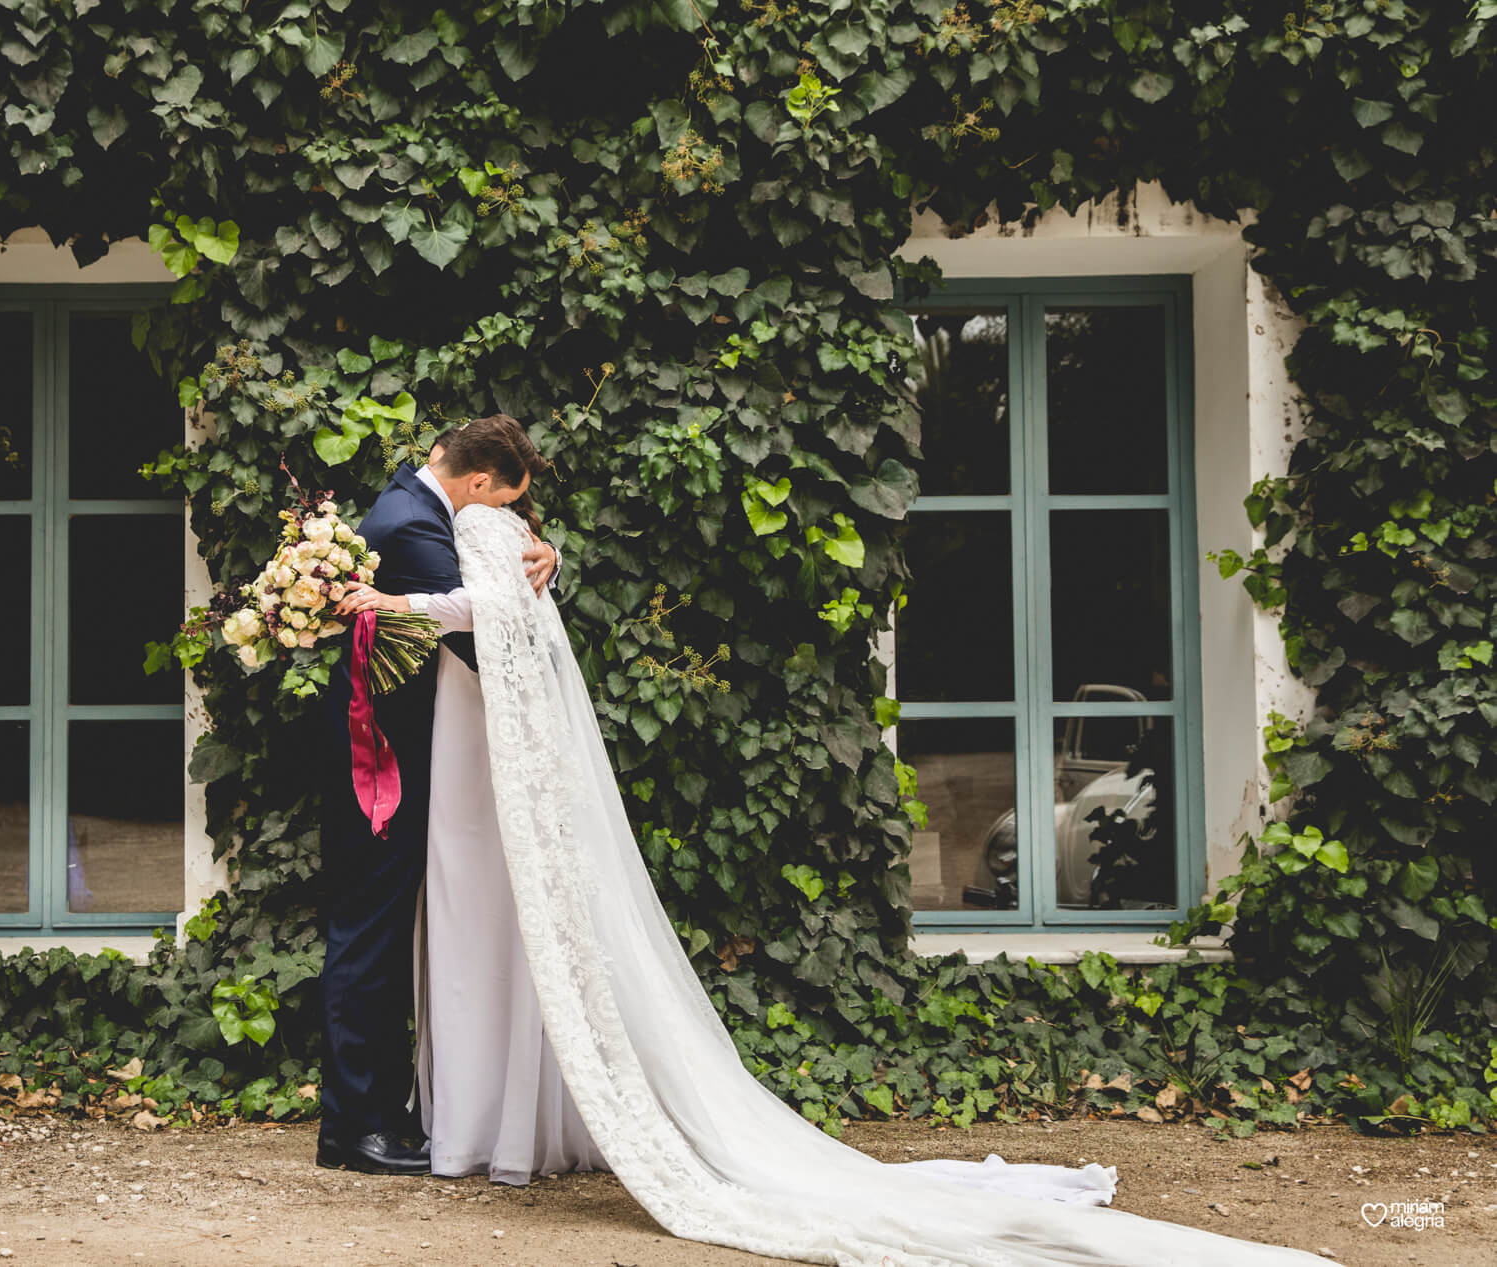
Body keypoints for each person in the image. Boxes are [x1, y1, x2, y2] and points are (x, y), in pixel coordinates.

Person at [336, 480, 1344, 1265]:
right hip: (464, 759)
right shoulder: (422, 510)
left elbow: (481, 607)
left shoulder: (476, 526)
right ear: (485, 480)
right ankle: (450, 1120)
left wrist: (390, 594)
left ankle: (468, 1125)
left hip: (480, 759)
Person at [314, 413, 558, 1175]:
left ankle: (384, 1112)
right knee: (370, 934)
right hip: (380, 762)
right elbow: (489, 639)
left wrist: (550, 558)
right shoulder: (414, 530)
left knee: (382, 931)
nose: (501, 520)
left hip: (393, 754)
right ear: (478, 481)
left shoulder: (409, 505)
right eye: (500, 505)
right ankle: (357, 1125)